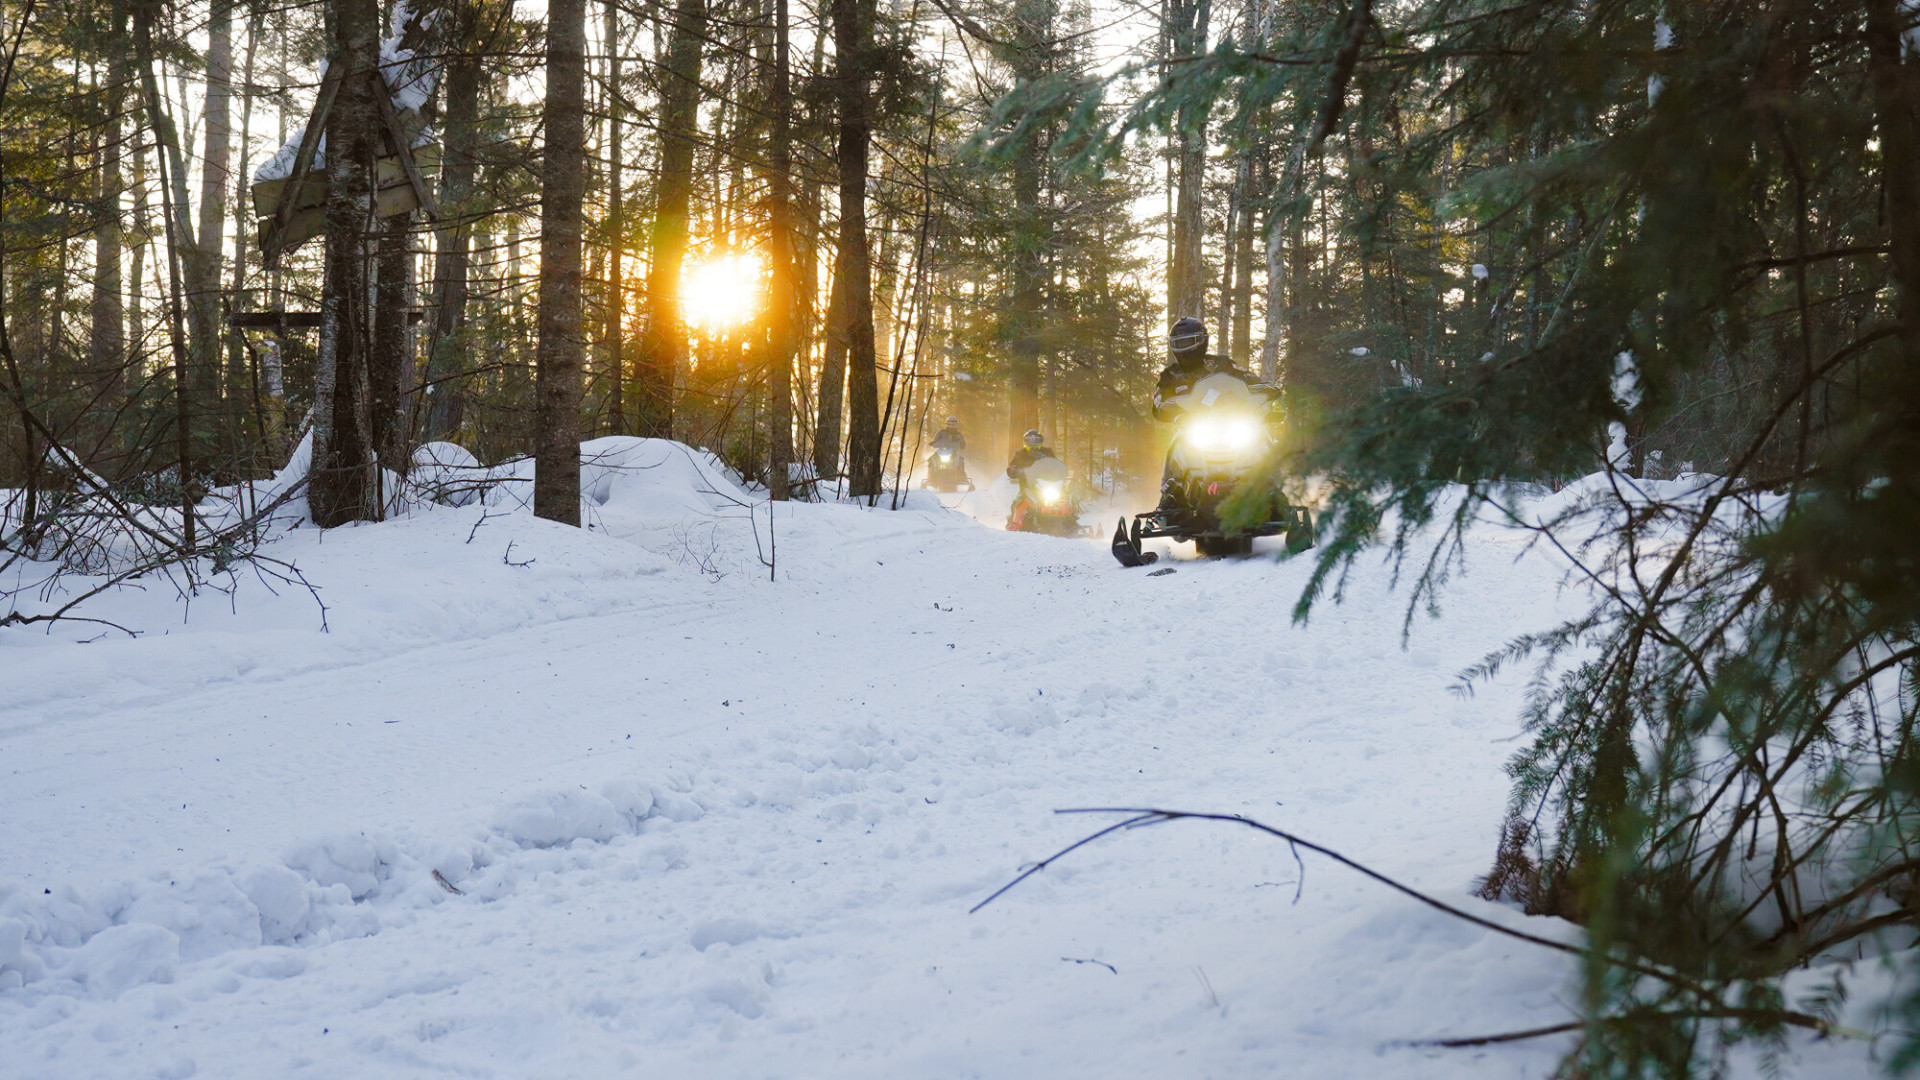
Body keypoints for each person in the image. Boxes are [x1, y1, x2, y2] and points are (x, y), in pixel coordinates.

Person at [1152, 317, 1272, 507]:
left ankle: (1271, 488)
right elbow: (1159, 401)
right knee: (1175, 445)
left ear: (1202, 341)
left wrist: (1265, 391)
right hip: (1193, 427)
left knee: (1262, 438)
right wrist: (1167, 409)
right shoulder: (1169, 376)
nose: (1183, 348)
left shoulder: (1222, 365)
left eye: (1187, 342)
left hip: (1231, 423)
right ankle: (1170, 493)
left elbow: (1249, 379)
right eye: (1179, 343)